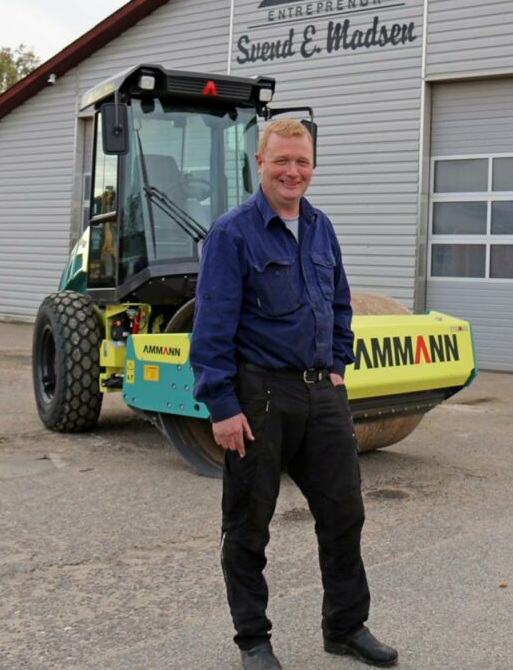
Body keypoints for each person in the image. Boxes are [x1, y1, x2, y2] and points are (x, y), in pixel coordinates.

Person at [190, 119, 398, 670]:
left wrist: (336, 367)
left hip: (320, 394)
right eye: (282, 161)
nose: (292, 171)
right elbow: (210, 329)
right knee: (248, 524)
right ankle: (253, 641)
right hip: (258, 397)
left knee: (343, 514)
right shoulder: (232, 234)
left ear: (313, 166)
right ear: (260, 163)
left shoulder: (321, 227)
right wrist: (222, 407)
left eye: (302, 162)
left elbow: (339, 304)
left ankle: (346, 627)